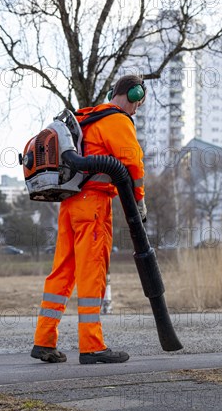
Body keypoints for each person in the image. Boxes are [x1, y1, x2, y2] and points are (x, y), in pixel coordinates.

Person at [31, 74, 147, 364]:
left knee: (62, 271)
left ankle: (44, 340)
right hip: (94, 205)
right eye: (138, 103)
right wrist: (140, 201)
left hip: (70, 203)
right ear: (132, 95)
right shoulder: (118, 120)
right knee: (92, 273)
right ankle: (92, 346)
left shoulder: (88, 117)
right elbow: (133, 165)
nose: (137, 110)